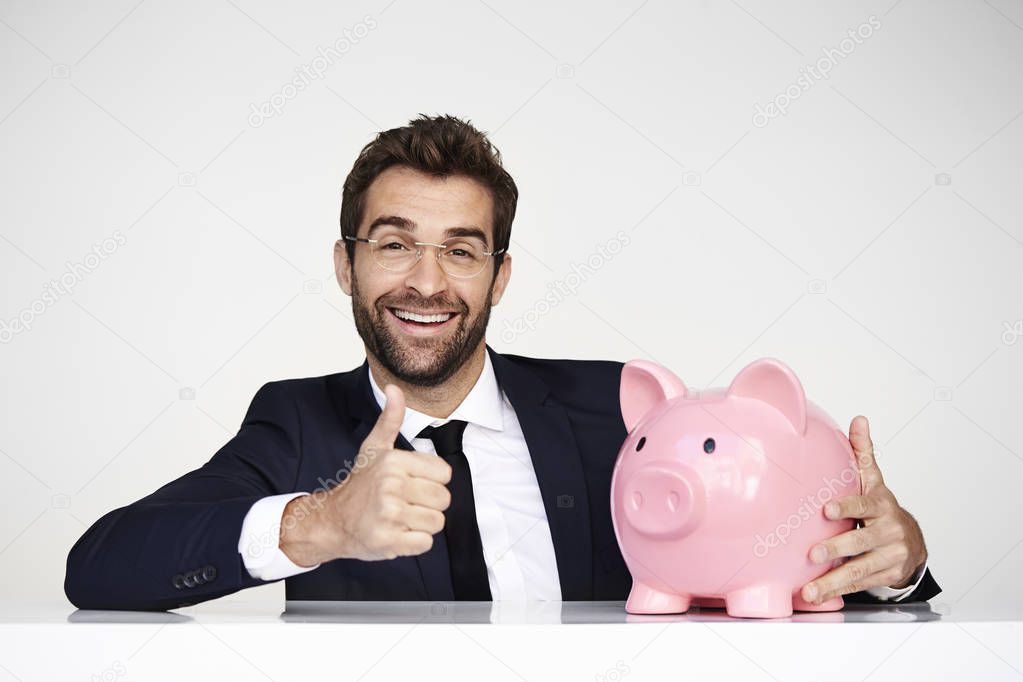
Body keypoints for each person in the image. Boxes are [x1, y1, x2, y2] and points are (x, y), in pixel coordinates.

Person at [64, 114, 940, 611]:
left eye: (461, 250)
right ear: (345, 264)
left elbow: (765, 563)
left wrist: (892, 564)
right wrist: (319, 526)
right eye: (393, 243)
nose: (425, 282)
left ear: (499, 275)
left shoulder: (622, 414)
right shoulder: (295, 422)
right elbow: (100, 565)